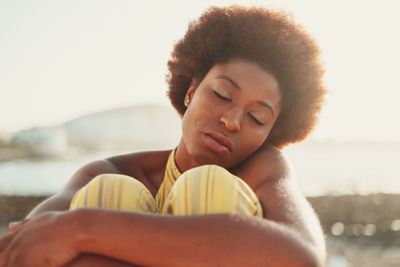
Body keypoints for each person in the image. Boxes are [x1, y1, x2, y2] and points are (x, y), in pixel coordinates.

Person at [0, 5, 327, 267]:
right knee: (110, 193)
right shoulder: (107, 173)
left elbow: (299, 254)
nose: (231, 121)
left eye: (257, 117)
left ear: (271, 132)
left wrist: (81, 229)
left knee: (207, 187)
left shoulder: (264, 170)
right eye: (222, 95)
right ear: (190, 91)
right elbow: (22, 251)